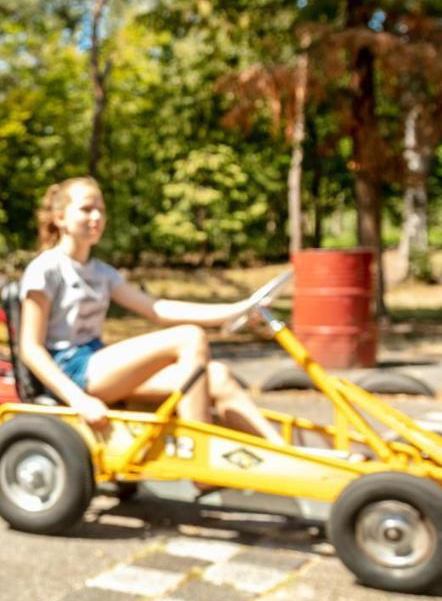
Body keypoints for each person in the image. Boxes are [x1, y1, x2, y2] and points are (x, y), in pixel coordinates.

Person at [19, 177, 280, 440]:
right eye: (86, 209)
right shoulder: (45, 269)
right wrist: (79, 401)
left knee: (218, 376)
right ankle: (198, 450)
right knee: (190, 337)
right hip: (72, 370)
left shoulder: (102, 272)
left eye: (101, 210)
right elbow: (30, 348)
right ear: (60, 217)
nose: (97, 216)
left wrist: (238, 310)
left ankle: (289, 459)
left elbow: (157, 309)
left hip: (99, 363)